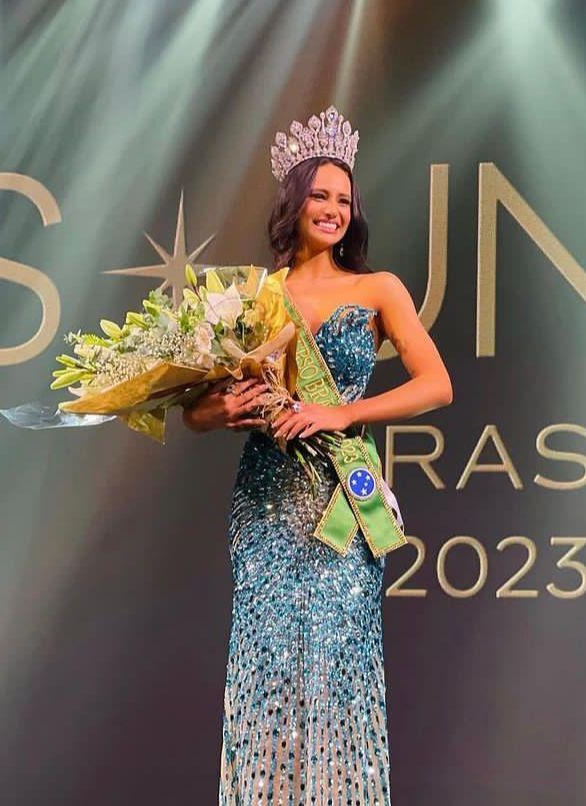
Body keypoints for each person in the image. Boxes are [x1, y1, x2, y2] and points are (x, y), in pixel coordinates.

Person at [182, 106, 453, 805]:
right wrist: (224, 411)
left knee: (337, 669)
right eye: (320, 195)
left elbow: (436, 384)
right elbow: (195, 411)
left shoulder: (377, 289)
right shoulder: (254, 299)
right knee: (267, 669)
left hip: (340, 506)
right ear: (294, 201)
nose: (333, 210)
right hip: (267, 503)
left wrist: (343, 411)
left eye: (344, 200)